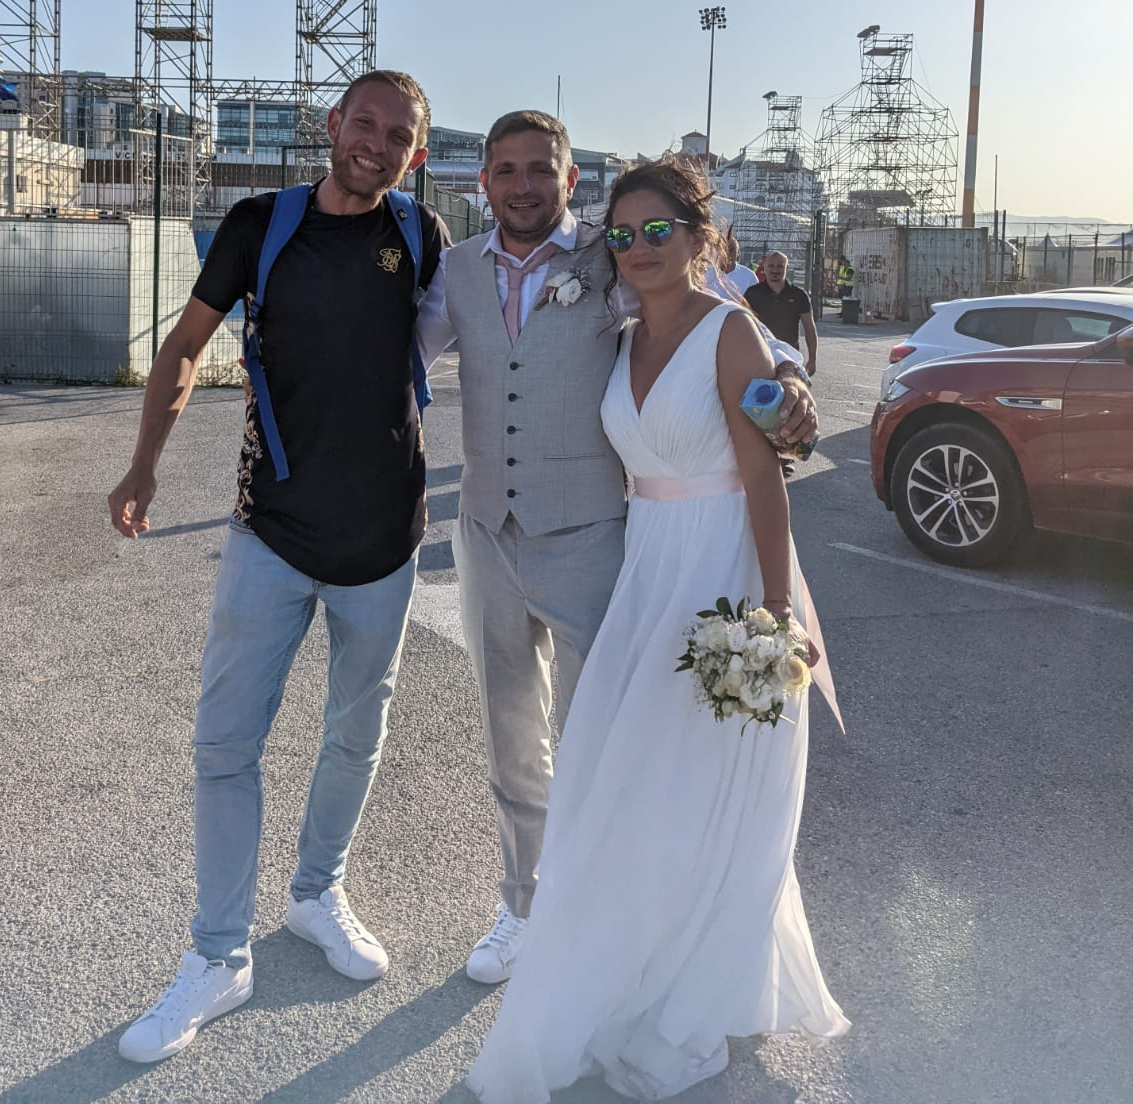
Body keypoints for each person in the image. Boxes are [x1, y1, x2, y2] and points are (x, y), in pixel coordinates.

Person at [466, 157, 849, 1104]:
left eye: (658, 232)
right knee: (624, 779)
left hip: (722, 571)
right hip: (646, 573)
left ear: (700, 239)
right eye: (623, 235)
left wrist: (773, 613)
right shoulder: (621, 331)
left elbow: (767, 476)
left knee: (706, 788)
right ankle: (618, 955)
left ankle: (691, 983)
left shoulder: (732, 333)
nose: (638, 250)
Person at [415, 111, 818, 987]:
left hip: (598, 539)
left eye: (540, 170)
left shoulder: (613, 259)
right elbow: (398, 359)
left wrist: (788, 376)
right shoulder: (451, 272)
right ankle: (523, 904)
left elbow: (719, 318)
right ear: (483, 181)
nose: (523, 185)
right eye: (506, 170)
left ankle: (596, 905)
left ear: (568, 181)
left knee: (604, 739)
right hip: (485, 534)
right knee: (512, 739)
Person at [107, 70, 450, 1063]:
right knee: (225, 747)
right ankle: (217, 955)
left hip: (385, 548)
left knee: (355, 735)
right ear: (334, 126)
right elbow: (182, 349)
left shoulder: (421, 239)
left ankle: (315, 895)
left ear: (413, 154)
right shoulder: (263, 224)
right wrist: (143, 466)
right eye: (365, 124)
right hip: (269, 535)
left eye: (398, 136)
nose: (377, 145)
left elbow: (536, 294)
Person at [744, 250, 818, 377]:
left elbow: (809, 327)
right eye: (771, 266)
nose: (775, 270)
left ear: (787, 268)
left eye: (780, 266)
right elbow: (742, 326)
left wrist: (812, 359)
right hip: (760, 356)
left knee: (791, 394)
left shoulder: (799, 295)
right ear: (764, 268)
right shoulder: (751, 294)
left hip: (789, 359)